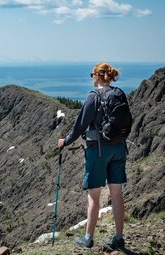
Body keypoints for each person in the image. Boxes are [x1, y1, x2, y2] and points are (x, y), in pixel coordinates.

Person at [57, 62, 127, 251]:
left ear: (97, 76)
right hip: (119, 148)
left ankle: (88, 238)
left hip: (98, 150)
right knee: (117, 194)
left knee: (93, 195)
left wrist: (65, 142)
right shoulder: (119, 94)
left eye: (92, 75)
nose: (92, 78)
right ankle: (119, 238)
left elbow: (80, 125)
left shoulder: (93, 97)